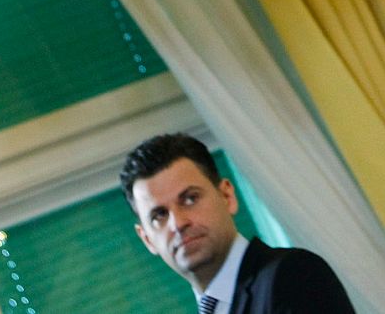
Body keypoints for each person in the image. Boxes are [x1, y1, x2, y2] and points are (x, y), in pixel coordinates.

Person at [120, 133, 354, 313]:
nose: (178, 223)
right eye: (159, 215)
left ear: (227, 197)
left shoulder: (292, 275)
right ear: (147, 238)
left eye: (190, 199)